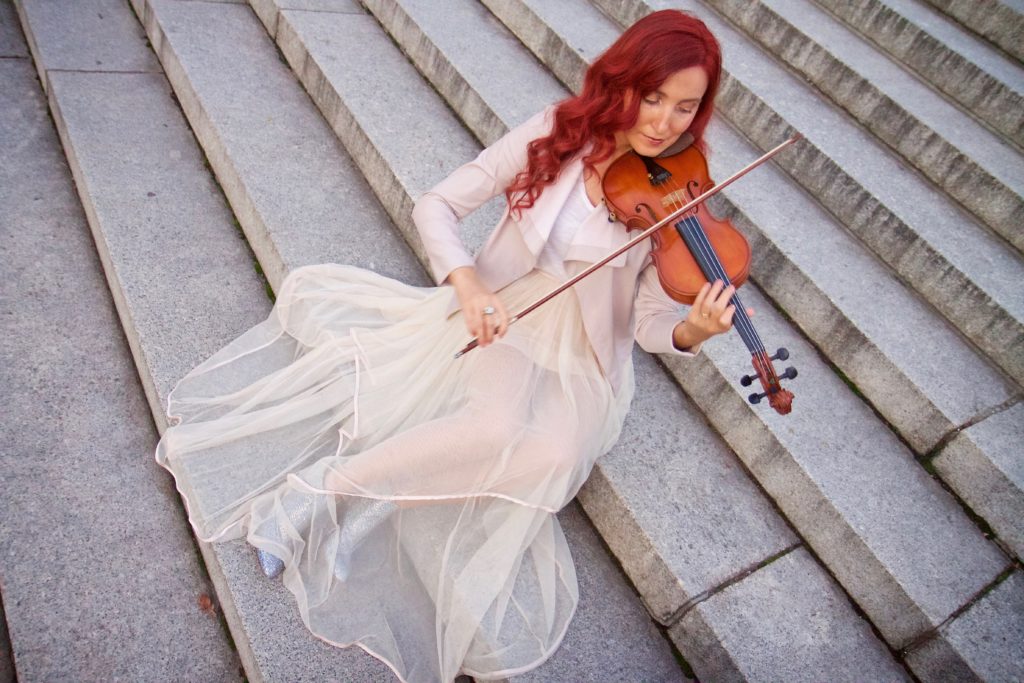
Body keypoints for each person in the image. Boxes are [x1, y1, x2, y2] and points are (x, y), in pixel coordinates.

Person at [155, 9, 740, 682]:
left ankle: (373, 504)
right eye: (653, 97)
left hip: (584, 354)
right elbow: (436, 204)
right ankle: (315, 493)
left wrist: (693, 331)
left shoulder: (682, 186)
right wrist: (467, 284)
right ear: (622, 80)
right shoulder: (559, 131)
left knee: (550, 455)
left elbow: (648, 320)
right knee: (493, 428)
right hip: (505, 309)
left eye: (685, 108)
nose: (664, 123)